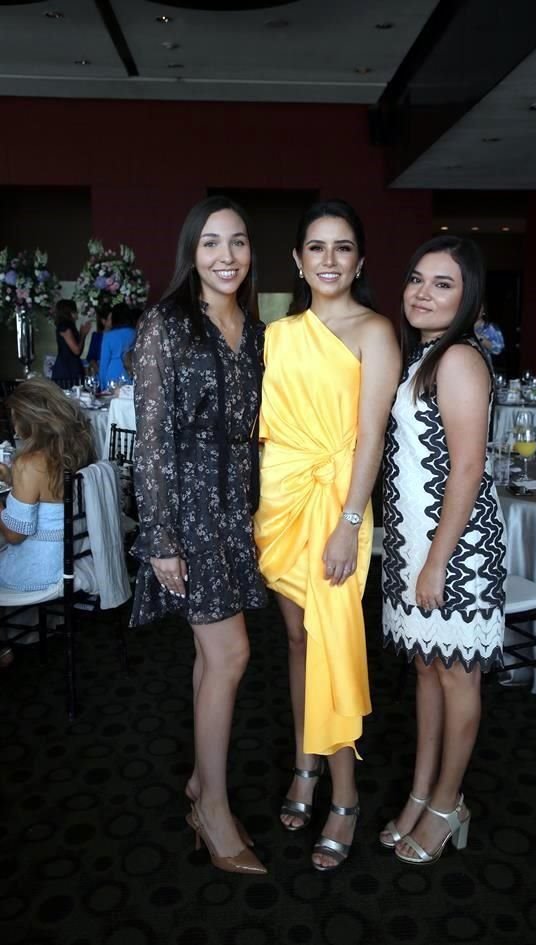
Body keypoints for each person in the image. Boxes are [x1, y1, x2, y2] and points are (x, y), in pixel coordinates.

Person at [254, 199, 400, 871]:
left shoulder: (375, 330)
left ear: (360, 260)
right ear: (297, 260)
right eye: (317, 247)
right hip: (282, 499)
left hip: (341, 505)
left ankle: (344, 793)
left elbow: (372, 435)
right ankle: (304, 765)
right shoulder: (279, 334)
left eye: (343, 247)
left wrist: (347, 523)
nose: (330, 259)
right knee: (295, 638)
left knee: (330, 639)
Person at [131, 195, 267, 875]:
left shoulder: (256, 325)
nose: (226, 256)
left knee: (212, 656)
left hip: (235, 510)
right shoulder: (167, 324)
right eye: (212, 242)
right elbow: (150, 438)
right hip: (186, 510)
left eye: (238, 242)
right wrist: (159, 539)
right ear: (192, 251)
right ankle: (211, 807)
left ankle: (198, 780)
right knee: (231, 654)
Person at [380, 235, 506, 866]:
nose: (421, 293)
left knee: (456, 676)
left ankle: (448, 801)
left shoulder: (459, 359)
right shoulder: (424, 356)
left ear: (467, 297)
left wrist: (436, 562)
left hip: (454, 553)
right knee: (428, 670)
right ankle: (420, 792)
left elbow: (466, 470)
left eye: (442, 284)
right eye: (416, 279)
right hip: (415, 546)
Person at [0, 379, 96, 661]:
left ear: (31, 419)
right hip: (69, 556)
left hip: (39, 569)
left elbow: (16, 535)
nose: (13, 425)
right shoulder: (76, 448)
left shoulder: (29, 462)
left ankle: (3, 648)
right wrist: (10, 479)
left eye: (15, 417)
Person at [98, 303, 136, 390]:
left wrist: (102, 386)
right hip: (131, 371)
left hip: (113, 373)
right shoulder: (136, 333)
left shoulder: (109, 336)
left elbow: (104, 363)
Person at [51, 299, 90, 385]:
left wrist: (82, 334)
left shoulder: (67, 326)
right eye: (75, 310)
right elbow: (76, 351)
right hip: (67, 368)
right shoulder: (65, 327)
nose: (77, 313)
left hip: (70, 366)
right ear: (70, 312)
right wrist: (83, 334)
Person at [85, 307, 111, 375]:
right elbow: (90, 357)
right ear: (103, 321)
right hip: (99, 370)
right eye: (111, 319)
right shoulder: (97, 336)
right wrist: (98, 369)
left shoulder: (117, 335)